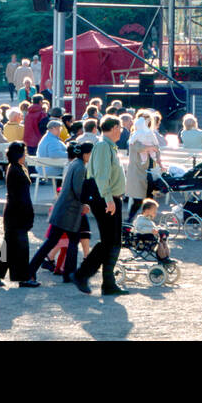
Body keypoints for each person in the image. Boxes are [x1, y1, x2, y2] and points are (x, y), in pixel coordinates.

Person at [74, 117, 129, 296]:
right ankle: (83, 274)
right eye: (120, 128)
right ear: (114, 128)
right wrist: (109, 200)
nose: (121, 131)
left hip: (110, 199)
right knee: (109, 241)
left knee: (112, 242)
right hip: (106, 199)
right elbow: (101, 176)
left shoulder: (107, 146)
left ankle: (107, 282)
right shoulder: (103, 147)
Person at [27, 140, 94, 284]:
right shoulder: (81, 167)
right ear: (87, 154)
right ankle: (68, 273)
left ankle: (34, 271)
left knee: (54, 242)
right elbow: (78, 190)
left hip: (64, 209)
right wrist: (85, 202)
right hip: (69, 211)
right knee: (67, 242)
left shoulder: (74, 163)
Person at [0, 142, 40, 287]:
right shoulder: (17, 170)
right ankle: (22, 278)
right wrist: (28, 213)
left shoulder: (15, 168)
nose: (25, 155)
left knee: (9, 245)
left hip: (13, 212)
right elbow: (22, 197)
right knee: (21, 247)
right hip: (18, 213)